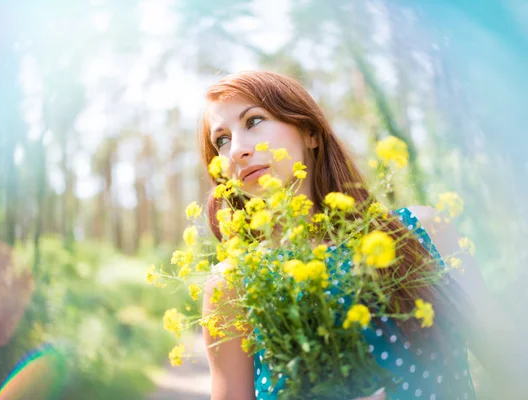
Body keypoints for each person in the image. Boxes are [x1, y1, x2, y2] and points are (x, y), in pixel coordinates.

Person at [197, 70, 526, 399]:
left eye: (254, 121)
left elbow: (510, 365)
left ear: (310, 132)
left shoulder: (424, 232)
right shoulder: (234, 285)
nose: (236, 150)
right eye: (221, 140)